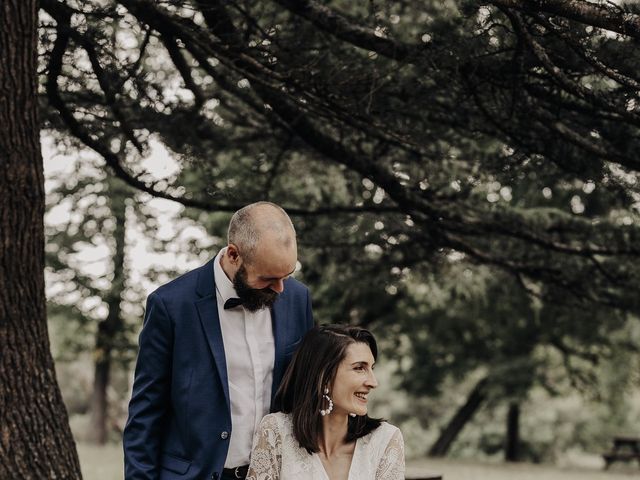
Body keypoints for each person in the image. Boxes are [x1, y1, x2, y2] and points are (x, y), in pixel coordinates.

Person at [123, 202, 314, 480]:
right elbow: (145, 413)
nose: (280, 289)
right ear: (234, 255)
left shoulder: (298, 299)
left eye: (286, 276)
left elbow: (305, 393)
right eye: (268, 278)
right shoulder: (171, 306)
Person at [246, 325, 405, 480]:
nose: (373, 382)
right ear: (323, 377)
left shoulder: (384, 441)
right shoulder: (275, 431)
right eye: (359, 368)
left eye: (372, 368)